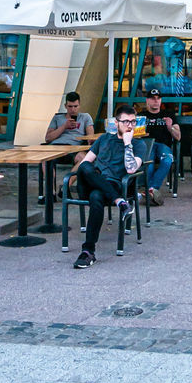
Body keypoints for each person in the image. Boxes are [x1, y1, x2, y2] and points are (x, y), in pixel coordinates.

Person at [72, 104, 147, 269]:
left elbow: (131, 169)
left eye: (133, 122)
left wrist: (128, 144)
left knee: (96, 196)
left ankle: (88, 252)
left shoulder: (139, 145)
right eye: (126, 121)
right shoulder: (104, 139)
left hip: (112, 186)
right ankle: (120, 201)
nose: (130, 125)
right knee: (84, 167)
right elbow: (86, 164)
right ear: (116, 122)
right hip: (91, 183)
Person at [141, 87, 181, 204]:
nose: (156, 101)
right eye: (153, 98)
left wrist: (170, 127)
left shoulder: (168, 115)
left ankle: (151, 189)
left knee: (167, 160)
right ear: (147, 100)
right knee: (149, 163)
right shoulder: (141, 116)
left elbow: (178, 136)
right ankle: (152, 191)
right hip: (147, 144)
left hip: (163, 145)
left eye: (158, 98)